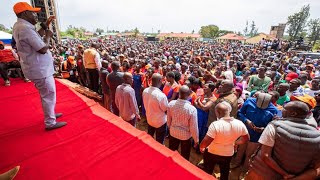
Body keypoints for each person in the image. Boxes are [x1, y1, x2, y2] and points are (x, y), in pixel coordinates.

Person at [12, 2, 66, 130]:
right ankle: (50, 122)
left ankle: (51, 114)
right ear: (25, 13)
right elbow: (42, 48)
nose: (35, 16)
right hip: (39, 69)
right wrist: (48, 37)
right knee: (48, 94)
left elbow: (36, 36)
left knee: (48, 94)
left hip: (37, 68)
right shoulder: (24, 28)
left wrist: (46, 24)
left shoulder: (21, 26)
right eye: (32, 13)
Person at [246, 101, 320, 180]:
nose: (281, 111)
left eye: (284, 109)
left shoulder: (274, 126)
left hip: (262, 174)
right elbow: (315, 166)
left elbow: (265, 156)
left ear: (293, 114)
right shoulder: (317, 136)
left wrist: (285, 174)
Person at [200, 102, 249, 180]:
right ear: (229, 111)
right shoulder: (240, 124)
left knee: (208, 171)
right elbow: (246, 138)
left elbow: (206, 141)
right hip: (228, 153)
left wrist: (202, 147)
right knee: (224, 171)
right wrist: (235, 142)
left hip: (212, 152)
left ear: (217, 112)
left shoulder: (215, 124)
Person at [234, 93, 278, 172]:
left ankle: (244, 171)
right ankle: (236, 163)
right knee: (240, 150)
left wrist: (264, 129)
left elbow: (272, 125)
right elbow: (240, 113)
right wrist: (246, 120)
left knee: (249, 154)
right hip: (244, 132)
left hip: (257, 136)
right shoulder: (249, 101)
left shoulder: (274, 110)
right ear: (256, 99)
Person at [167, 85, 199, 160]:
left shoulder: (171, 104)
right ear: (188, 95)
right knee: (184, 157)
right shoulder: (192, 109)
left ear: (179, 94)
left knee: (171, 152)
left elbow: (168, 120)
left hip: (173, 132)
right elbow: (193, 127)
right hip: (185, 136)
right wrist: (196, 140)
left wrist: (170, 128)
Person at [142, 73, 168, 144]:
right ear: (160, 81)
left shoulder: (145, 90)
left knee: (149, 138)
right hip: (160, 122)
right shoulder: (161, 95)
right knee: (159, 142)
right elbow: (166, 110)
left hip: (150, 119)